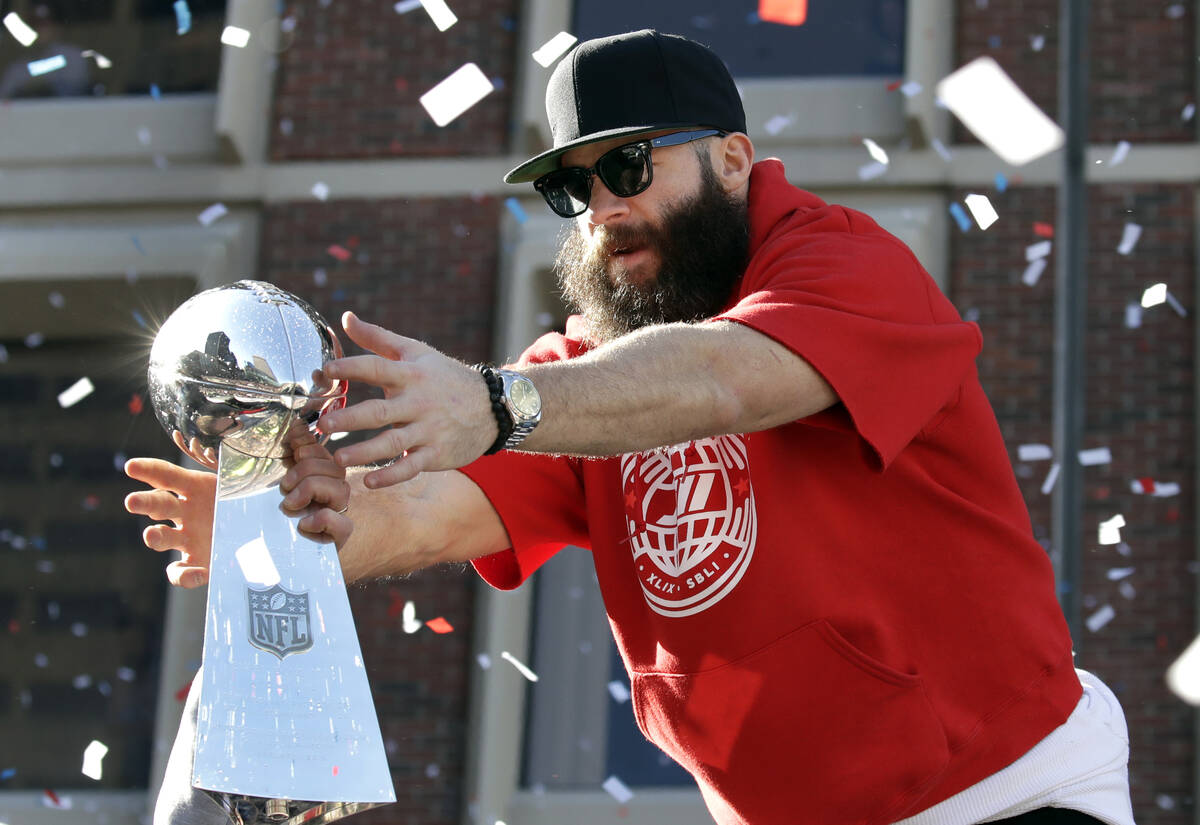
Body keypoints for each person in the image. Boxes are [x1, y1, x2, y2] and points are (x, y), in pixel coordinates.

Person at [126, 29, 1136, 825]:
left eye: (631, 167)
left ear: (735, 160)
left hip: (1011, 795)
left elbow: (730, 378)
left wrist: (498, 403)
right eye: (575, 187)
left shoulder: (848, 267)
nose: (603, 209)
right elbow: (436, 511)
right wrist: (295, 530)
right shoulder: (580, 381)